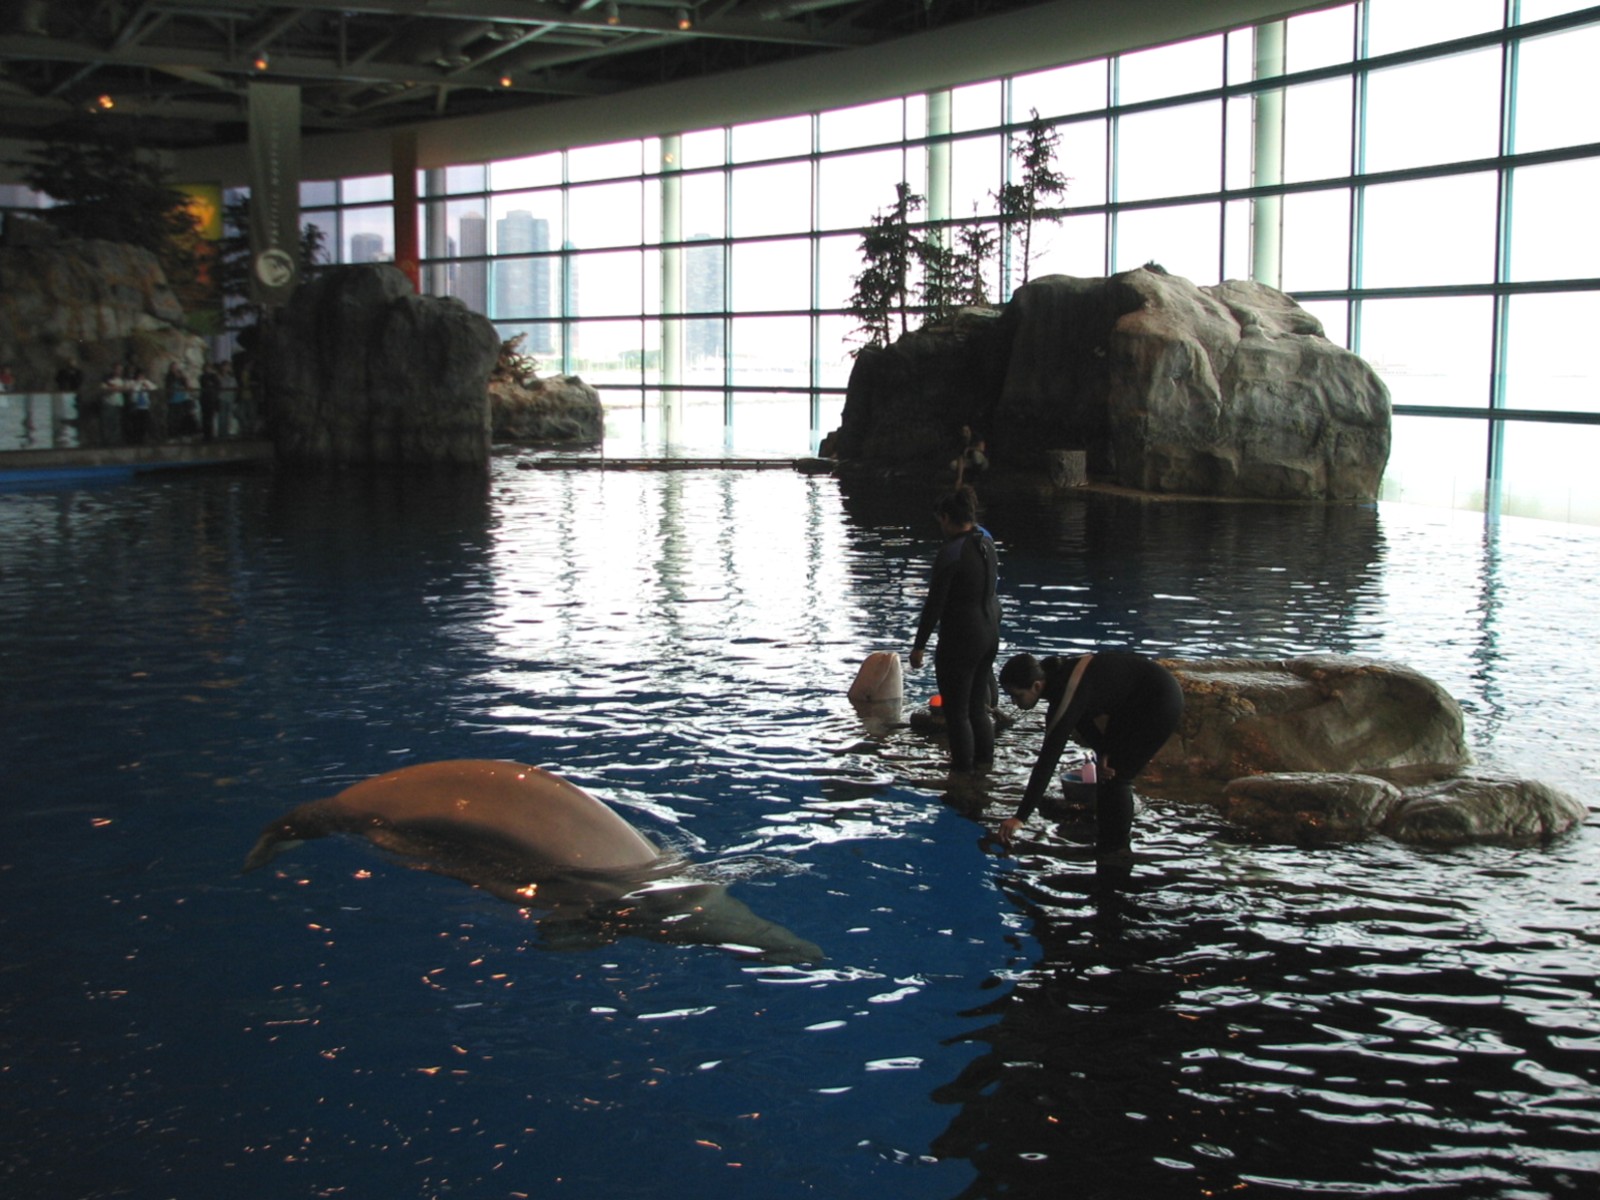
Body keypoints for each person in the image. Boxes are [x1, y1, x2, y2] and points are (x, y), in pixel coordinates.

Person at [997, 650, 1184, 857]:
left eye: (1017, 695)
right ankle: (1107, 839)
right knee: (1108, 770)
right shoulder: (1060, 681)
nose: (1014, 702)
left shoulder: (1066, 691)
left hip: (1158, 701)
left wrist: (1020, 817)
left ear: (1036, 686)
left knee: (1118, 778)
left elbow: (1047, 761)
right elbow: (1082, 716)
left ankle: (1117, 851)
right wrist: (1103, 748)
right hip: (1129, 704)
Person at [909, 485, 1000, 773]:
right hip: (989, 633)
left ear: (947, 517)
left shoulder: (952, 552)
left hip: (962, 639)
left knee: (957, 712)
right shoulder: (985, 539)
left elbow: (935, 604)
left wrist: (919, 646)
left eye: (941, 521)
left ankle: (962, 774)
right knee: (977, 708)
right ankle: (985, 766)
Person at [198, 361, 222, 441]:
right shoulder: (203, 376)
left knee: (210, 418)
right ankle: (206, 435)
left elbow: (217, 385)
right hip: (206, 399)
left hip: (211, 399)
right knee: (205, 418)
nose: (207, 369)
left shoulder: (213, 376)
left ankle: (210, 435)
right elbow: (205, 384)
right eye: (206, 368)